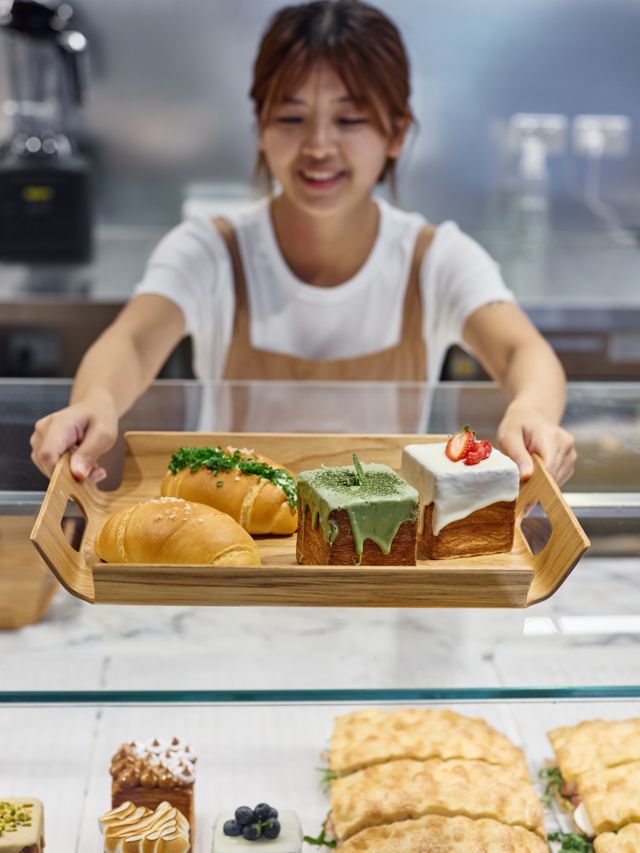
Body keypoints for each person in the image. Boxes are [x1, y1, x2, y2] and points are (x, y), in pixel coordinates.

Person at [30, 0, 576, 485]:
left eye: (349, 119)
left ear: (396, 133)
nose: (318, 146)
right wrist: (96, 402)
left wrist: (532, 410)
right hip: (238, 560)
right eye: (292, 117)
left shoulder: (436, 259)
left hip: (381, 563)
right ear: (261, 126)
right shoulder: (211, 249)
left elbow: (522, 351)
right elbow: (132, 342)